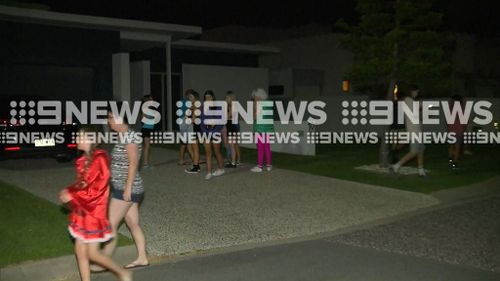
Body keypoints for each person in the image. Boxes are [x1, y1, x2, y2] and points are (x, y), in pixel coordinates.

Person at [59, 126, 132, 281]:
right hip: (82, 212)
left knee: (93, 253)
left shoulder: (100, 158)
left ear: (91, 140)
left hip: (93, 213)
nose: (77, 139)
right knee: (80, 249)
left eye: (81, 137)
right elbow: (82, 184)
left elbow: (97, 188)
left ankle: (123, 273)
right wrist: (69, 191)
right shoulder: (83, 160)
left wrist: (71, 194)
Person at [94, 104, 149, 271]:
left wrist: (127, 189)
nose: (108, 120)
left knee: (110, 224)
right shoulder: (123, 135)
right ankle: (142, 258)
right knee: (133, 223)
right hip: (129, 188)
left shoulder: (129, 136)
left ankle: (103, 262)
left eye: (110, 117)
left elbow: (133, 163)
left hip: (127, 189)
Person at [389, 84, 426, 177]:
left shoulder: (412, 101)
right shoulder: (408, 100)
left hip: (417, 130)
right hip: (414, 131)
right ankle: (395, 167)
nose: (417, 93)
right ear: (411, 91)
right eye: (415, 91)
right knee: (414, 152)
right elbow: (417, 114)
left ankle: (421, 171)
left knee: (421, 150)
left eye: (417, 91)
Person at [200, 90, 225, 180]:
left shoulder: (218, 107)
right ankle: (209, 172)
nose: (208, 98)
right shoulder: (203, 108)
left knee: (217, 152)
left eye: (209, 97)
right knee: (208, 153)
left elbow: (221, 122)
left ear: (213, 97)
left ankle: (221, 169)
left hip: (215, 133)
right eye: (206, 97)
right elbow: (201, 122)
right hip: (206, 133)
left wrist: (215, 126)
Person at [250, 88, 274, 172]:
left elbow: (254, 117)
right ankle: (269, 165)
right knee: (267, 147)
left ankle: (259, 166)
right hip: (268, 129)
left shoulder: (259, 105)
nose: (254, 99)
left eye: (255, 97)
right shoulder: (268, 104)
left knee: (260, 148)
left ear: (259, 97)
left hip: (260, 129)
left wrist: (254, 108)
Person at [447, 94, 467, 169]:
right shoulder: (461, 108)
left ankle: (450, 160)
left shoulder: (450, 108)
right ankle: (454, 164)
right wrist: (464, 128)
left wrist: (449, 128)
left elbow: (447, 119)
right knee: (457, 148)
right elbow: (464, 121)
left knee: (452, 146)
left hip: (451, 130)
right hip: (458, 130)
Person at [184, 90, 202, 174]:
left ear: (195, 97)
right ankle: (196, 163)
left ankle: (196, 166)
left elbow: (193, 119)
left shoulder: (195, 106)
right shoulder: (192, 106)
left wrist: (186, 119)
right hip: (192, 128)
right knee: (189, 146)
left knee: (195, 148)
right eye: (189, 97)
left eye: (191, 97)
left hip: (194, 128)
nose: (189, 98)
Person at [224, 91, 241, 168]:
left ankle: (233, 162)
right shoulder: (231, 106)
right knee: (233, 145)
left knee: (232, 145)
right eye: (226, 97)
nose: (226, 99)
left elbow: (227, 117)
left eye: (227, 97)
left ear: (231, 98)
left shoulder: (232, 106)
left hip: (232, 127)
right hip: (231, 126)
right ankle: (235, 161)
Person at [140, 95, 155, 170]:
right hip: (146, 129)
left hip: (148, 128)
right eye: (151, 99)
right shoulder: (145, 108)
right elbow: (142, 118)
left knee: (147, 147)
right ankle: (145, 164)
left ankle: (146, 163)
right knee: (147, 147)